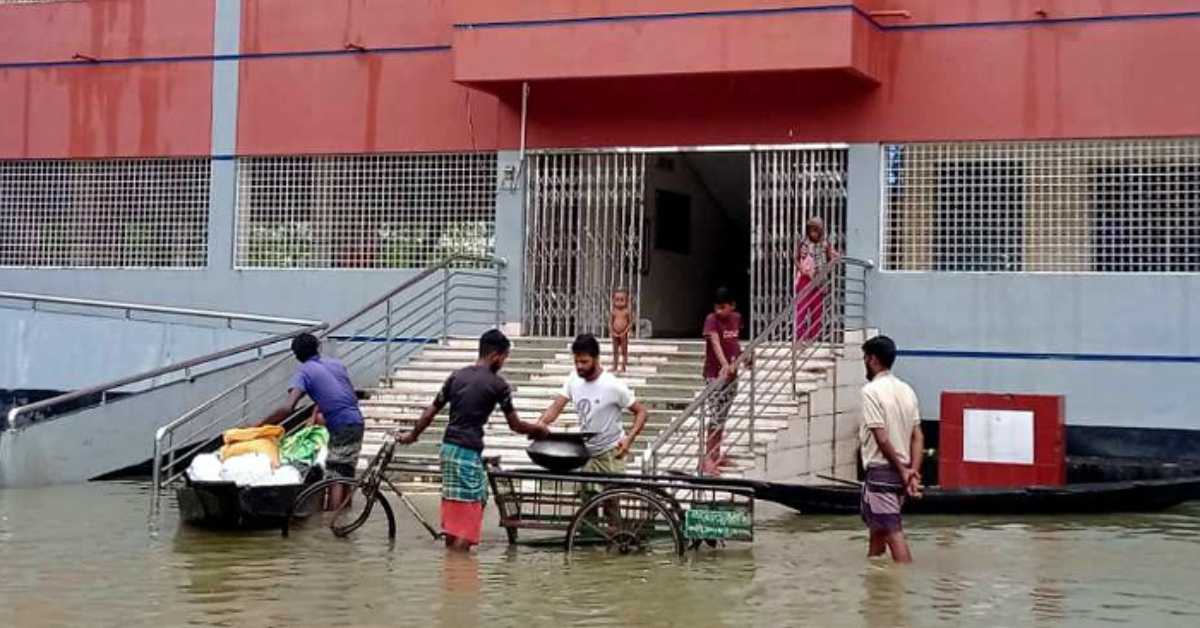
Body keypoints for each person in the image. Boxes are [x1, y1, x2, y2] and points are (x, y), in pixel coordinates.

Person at [396, 329, 548, 551]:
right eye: (505, 358)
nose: (504, 363)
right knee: (473, 509)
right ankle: (459, 568)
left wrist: (412, 436)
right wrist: (539, 430)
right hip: (468, 452)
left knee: (454, 507)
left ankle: (451, 567)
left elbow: (430, 411)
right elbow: (515, 425)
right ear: (496, 355)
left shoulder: (456, 376)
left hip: (448, 450)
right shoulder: (498, 385)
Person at [259, 332, 364, 510]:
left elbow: (287, 408)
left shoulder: (304, 372)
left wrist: (259, 426)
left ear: (297, 355)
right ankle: (344, 521)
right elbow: (346, 395)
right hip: (357, 421)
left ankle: (330, 524)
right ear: (317, 348)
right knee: (346, 473)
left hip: (341, 425)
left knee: (335, 475)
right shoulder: (336, 364)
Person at [537, 334, 649, 477]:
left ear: (596, 359)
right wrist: (542, 423)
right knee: (587, 498)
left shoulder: (613, 385)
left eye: (584, 362)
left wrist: (629, 439)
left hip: (611, 453)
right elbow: (556, 407)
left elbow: (641, 412)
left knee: (610, 497)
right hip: (586, 453)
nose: (579, 366)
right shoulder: (573, 380)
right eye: (576, 362)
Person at [858, 335, 924, 563]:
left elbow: (882, 438)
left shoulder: (871, 391)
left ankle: (903, 584)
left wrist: (904, 471)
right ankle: (875, 581)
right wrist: (911, 471)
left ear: (873, 360)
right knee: (879, 529)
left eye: (865, 358)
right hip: (900, 472)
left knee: (893, 532)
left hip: (882, 471)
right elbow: (918, 436)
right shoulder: (907, 390)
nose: (864, 363)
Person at [701, 287, 743, 475]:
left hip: (732, 377)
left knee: (723, 417)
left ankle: (717, 453)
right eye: (717, 307)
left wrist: (743, 358)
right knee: (715, 417)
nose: (719, 311)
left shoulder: (736, 318)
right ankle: (707, 458)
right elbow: (715, 343)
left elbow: (734, 342)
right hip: (714, 375)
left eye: (723, 307)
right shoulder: (711, 320)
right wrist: (725, 365)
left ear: (732, 306)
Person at [795, 216, 839, 341]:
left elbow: (832, 256)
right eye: (811, 230)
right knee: (802, 309)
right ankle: (800, 336)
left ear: (820, 230)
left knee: (817, 310)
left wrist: (835, 255)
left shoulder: (825, 244)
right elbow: (796, 258)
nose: (813, 233)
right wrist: (801, 268)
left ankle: (813, 336)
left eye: (816, 230)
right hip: (805, 280)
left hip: (820, 281)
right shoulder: (803, 243)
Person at [609, 288, 632, 373]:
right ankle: (614, 366)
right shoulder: (613, 311)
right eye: (617, 300)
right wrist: (612, 331)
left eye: (622, 300)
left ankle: (623, 366)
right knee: (615, 350)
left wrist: (625, 331)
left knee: (623, 350)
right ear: (613, 300)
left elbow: (630, 323)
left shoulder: (627, 311)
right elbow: (610, 323)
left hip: (623, 334)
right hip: (615, 334)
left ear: (627, 301)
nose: (619, 302)